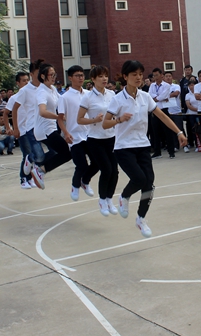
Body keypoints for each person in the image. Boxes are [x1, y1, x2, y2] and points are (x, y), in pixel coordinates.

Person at [103, 60, 187, 238]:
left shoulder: (145, 96)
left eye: (140, 74)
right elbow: (105, 123)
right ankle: (124, 197)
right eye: (134, 74)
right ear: (125, 77)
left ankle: (141, 218)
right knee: (139, 179)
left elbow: (162, 116)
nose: (138, 77)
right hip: (124, 147)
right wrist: (119, 120)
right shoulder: (117, 99)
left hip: (142, 145)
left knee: (149, 183)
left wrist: (179, 132)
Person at [78, 65, 119, 215]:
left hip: (111, 137)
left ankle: (109, 198)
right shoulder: (87, 97)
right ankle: (102, 200)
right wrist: (94, 120)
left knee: (115, 171)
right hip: (95, 139)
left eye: (106, 76)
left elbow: (116, 112)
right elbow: (79, 119)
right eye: (100, 76)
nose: (104, 79)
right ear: (93, 79)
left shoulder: (112, 94)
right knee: (106, 169)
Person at [24, 63, 73, 186]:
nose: (54, 77)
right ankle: (40, 169)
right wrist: (58, 117)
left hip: (51, 128)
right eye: (51, 75)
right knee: (66, 153)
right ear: (42, 76)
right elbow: (43, 112)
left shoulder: (52, 89)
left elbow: (62, 101)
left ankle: (37, 165)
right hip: (44, 129)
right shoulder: (41, 92)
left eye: (54, 74)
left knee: (61, 152)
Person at [58, 65, 99, 201]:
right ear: (70, 78)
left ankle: (85, 181)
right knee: (81, 165)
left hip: (90, 134)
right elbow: (60, 118)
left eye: (82, 75)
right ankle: (75, 186)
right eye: (77, 75)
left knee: (97, 162)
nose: (81, 78)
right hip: (74, 136)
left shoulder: (89, 94)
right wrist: (66, 133)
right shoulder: (65, 97)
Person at [14, 60, 47, 190]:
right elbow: (14, 109)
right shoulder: (25, 91)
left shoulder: (46, 88)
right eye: (39, 72)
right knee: (36, 155)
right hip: (30, 128)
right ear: (32, 74)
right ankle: (25, 177)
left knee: (57, 151)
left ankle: (35, 172)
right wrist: (15, 128)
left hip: (45, 127)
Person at [149, 68, 175, 159]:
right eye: (154, 75)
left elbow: (164, 95)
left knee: (167, 131)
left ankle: (171, 151)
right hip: (154, 110)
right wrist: (158, 98)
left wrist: (156, 98)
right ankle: (157, 152)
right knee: (155, 132)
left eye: (157, 75)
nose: (155, 77)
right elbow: (149, 95)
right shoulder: (152, 85)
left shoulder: (166, 85)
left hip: (163, 110)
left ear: (161, 75)